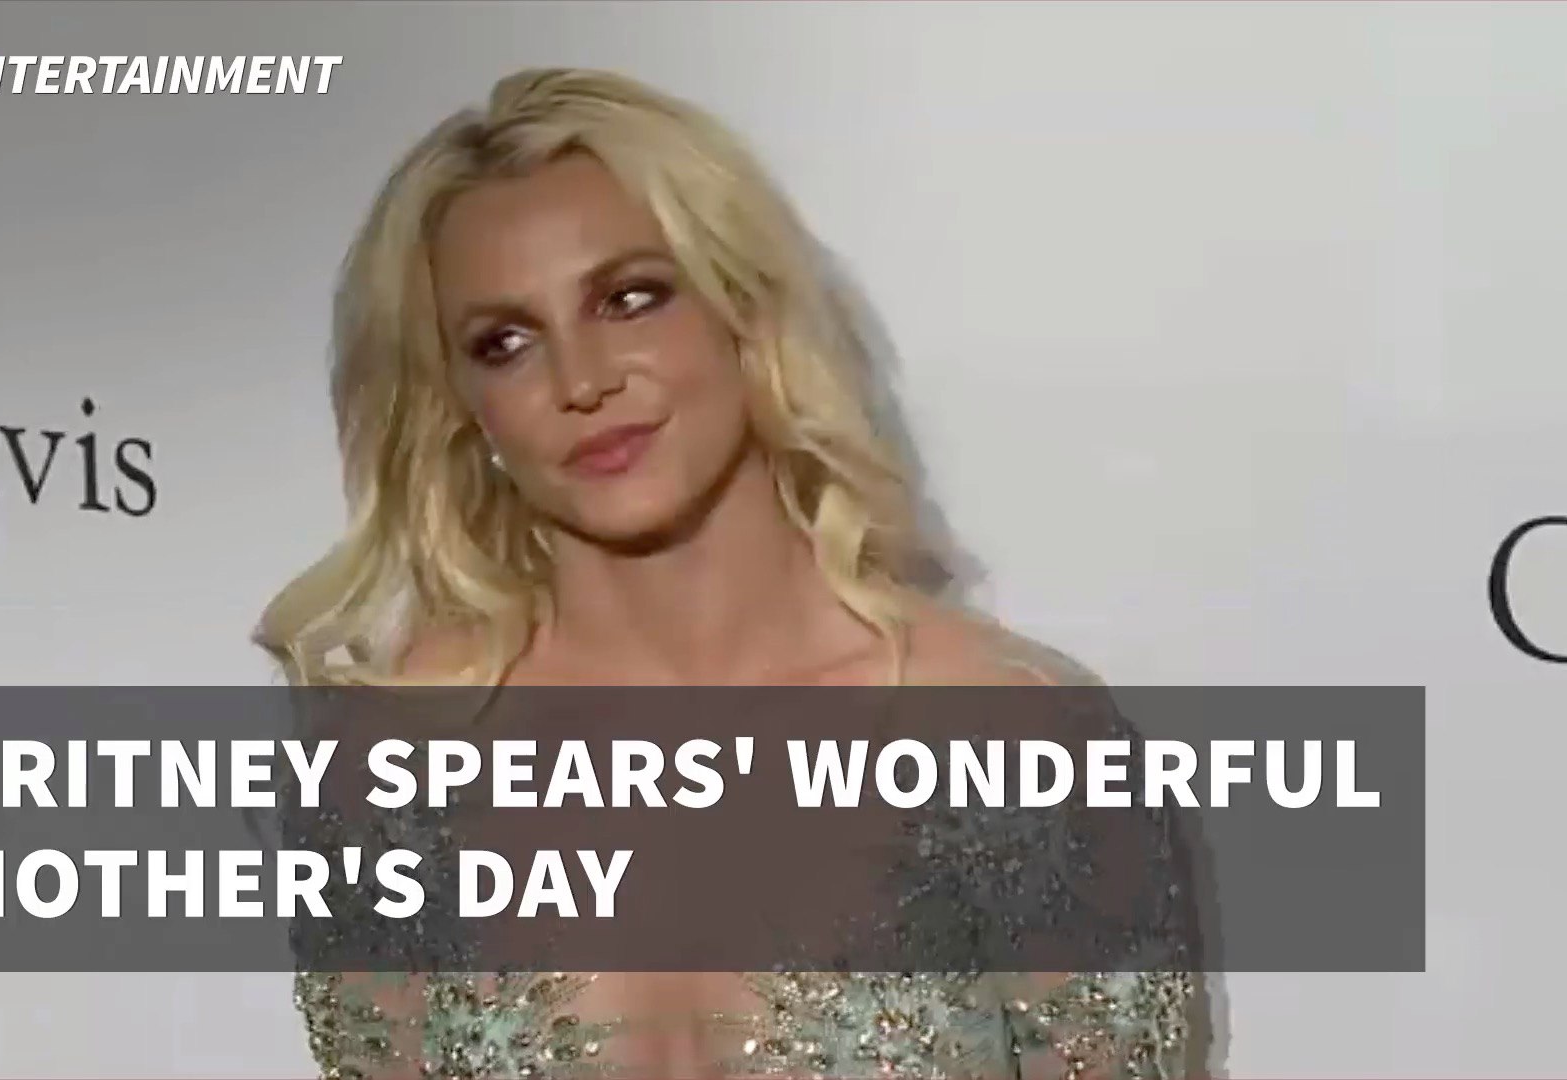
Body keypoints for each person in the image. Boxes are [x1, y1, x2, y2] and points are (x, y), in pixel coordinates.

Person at [256, 67, 1206, 1079]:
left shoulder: (1010, 733)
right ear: (460, 403)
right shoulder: (387, 768)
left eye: (630, 299)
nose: (582, 381)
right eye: (507, 342)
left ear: (740, 309)